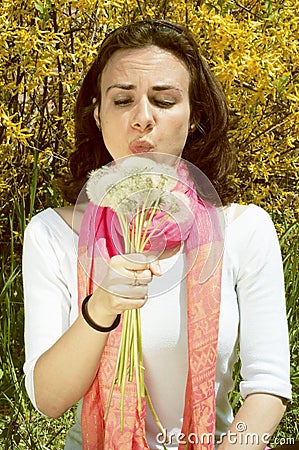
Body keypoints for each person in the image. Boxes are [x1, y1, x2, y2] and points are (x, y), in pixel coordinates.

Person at [23, 20, 292, 449]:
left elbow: (269, 386)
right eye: (122, 100)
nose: (142, 119)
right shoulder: (53, 233)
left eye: (164, 100)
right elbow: (48, 399)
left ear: (194, 116)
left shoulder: (244, 230)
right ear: (97, 114)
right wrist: (102, 306)